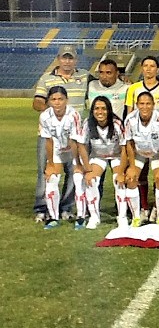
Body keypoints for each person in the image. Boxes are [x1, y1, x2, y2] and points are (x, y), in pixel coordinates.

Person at [32, 45, 91, 222]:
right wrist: (55, 112)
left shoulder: (85, 76)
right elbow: (37, 103)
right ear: (58, 59)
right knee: (47, 170)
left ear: (76, 60)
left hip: (75, 134)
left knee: (74, 171)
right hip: (50, 134)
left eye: (70, 58)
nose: (67, 61)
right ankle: (42, 208)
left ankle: (65, 207)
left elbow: (103, 81)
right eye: (64, 58)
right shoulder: (46, 78)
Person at [125, 56, 159, 222]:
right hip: (139, 140)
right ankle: (142, 209)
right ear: (141, 68)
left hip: (157, 141)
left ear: (157, 69)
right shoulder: (133, 88)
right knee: (137, 176)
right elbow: (130, 113)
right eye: (145, 65)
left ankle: (158, 212)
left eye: (152, 66)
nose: (148, 69)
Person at [74, 96, 127, 229]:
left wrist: (121, 171)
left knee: (118, 180)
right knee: (91, 180)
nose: (100, 112)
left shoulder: (116, 124)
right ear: (92, 111)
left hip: (116, 155)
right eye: (97, 108)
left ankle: (122, 217)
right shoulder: (87, 123)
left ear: (109, 110)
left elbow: (125, 147)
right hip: (98, 155)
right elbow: (81, 145)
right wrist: (88, 169)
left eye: (103, 108)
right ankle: (94, 216)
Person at [38, 86, 82, 230]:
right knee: (51, 179)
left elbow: (75, 141)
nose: (57, 103)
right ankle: (53, 217)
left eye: (60, 99)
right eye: (54, 99)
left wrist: (77, 163)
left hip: (72, 150)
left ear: (66, 100)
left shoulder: (74, 115)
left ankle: (75, 214)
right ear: (49, 101)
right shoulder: (44, 116)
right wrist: (50, 163)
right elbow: (48, 141)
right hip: (56, 150)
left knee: (76, 178)